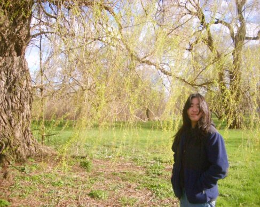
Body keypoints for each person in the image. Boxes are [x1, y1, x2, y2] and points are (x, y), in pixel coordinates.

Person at [171, 93, 229, 207]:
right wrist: (175, 177)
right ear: (186, 109)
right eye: (191, 106)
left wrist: (198, 186)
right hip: (184, 194)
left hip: (201, 198)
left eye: (198, 106)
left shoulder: (211, 135)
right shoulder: (184, 133)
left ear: (204, 109)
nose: (194, 110)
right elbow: (176, 155)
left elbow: (221, 168)